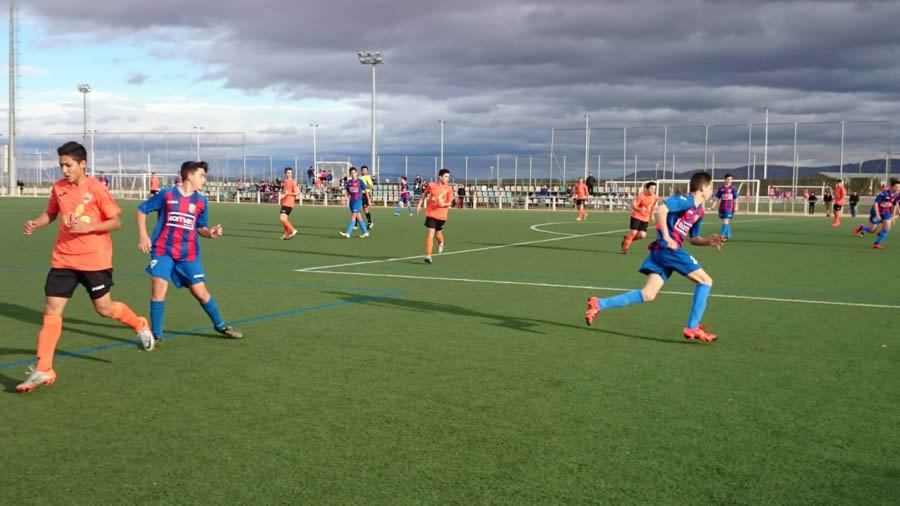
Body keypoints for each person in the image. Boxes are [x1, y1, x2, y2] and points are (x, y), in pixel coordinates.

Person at [17, 141, 151, 392]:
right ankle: (44, 368)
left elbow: (116, 222)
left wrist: (89, 227)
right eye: (61, 166)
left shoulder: (97, 189)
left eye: (68, 165)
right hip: (63, 259)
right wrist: (35, 223)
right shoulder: (58, 188)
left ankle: (139, 324)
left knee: (105, 309)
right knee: (52, 309)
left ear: (82, 164)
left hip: (94, 260)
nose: (64, 170)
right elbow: (51, 213)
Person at [585, 172, 723, 342]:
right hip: (668, 249)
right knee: (706, 281)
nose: (712, 190)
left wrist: (708, 241)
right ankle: (692, 327)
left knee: (648, 294)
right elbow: (662, 209)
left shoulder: (699, 211)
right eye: (710, 187)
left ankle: (599, 304)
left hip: (663, 251)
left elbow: (694, 238)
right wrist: (666, 236)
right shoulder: (684, 200)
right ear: (702, 188)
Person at [136, 161, 243, 351]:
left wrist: (210, 233)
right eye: (202, 175)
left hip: (189, 253)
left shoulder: (201, 201)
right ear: (190, 176)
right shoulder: (166, 194)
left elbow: (200, 227)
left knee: (200, 293)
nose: (204, 179)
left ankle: (221, 326)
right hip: (163, 249)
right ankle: (157, 335)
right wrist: (143, 235)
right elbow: (142, 210)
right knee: (159, 288)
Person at [416, 168, 453, 264]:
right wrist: (419, 204)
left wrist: (444, 204)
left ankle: (441, 243)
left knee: (438, 233)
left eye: (448, 177)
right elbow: (424, 195)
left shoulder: (449, 189)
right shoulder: (431, 186)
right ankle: (428, 255)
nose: (447, 178)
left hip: (442, 215)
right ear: (440, 177)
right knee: (430, 233)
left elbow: (450, 203)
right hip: (431, 214)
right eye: (445, 176)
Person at [854, 178, 900, 249]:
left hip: (886, 211)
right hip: (876, 211)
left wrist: (893, 216)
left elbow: (895, 204)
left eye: (899, 187)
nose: (898, 188)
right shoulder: (884, 193)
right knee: (872, 230)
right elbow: (875, 203)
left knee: (888, 228)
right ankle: (861, 227)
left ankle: (877, 243)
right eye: (896, 187)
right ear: (891, 186)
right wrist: (877, 214)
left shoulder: (897, 195)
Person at [622, 181, 659, 254]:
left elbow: (653, 207)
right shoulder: (641, 196)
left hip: (645, 218)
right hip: (636, 216)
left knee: (642, 235)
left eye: (654, 188)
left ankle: (627, 239)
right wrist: (640, 209)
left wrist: (652, 216)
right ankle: (625, 249)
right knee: (633, 232)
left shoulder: (655, 197)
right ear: (647, 188)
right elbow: (633, 206)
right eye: (651, 188)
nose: (653, 190)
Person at [339, 167, 369, 238]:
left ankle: (348, 233)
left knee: (353, 216)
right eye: (352, 173)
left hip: (358, 201)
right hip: (351, 202)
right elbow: (347, 193)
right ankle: (366, 232)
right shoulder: (349, 182)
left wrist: (369, 200)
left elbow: (366, 191)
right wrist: (344, 199)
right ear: (350, 174)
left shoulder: (360, 181)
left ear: (356, 173)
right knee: (359, 217)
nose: (353, 174)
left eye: (354, 173)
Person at [712, 174, 738, 241]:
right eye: (728, 179)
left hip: (729, 207)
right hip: (722, 207)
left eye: (731, 179)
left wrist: (736, 206)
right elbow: (717, 198)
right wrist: (713, 205)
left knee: (725, 221)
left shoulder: (733, 188)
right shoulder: (721, 188)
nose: (730, 180)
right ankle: (728, 236)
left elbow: (736, 198)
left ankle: (722, 236)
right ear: (725, 179)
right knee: (726, 221)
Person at [279, 167, 300, 239]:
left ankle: (293, 230)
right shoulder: (285, 181)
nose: (290, 174)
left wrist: (288, 193)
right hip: (285, 202)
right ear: (285, 173)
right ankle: (286, 234)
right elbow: (285, 193)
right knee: (284, 219)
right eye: (288, 173)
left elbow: (297, 192)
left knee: (282, 218)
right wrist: (282, 199)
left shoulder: (292, 182)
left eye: (291, 173)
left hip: (289, 203)